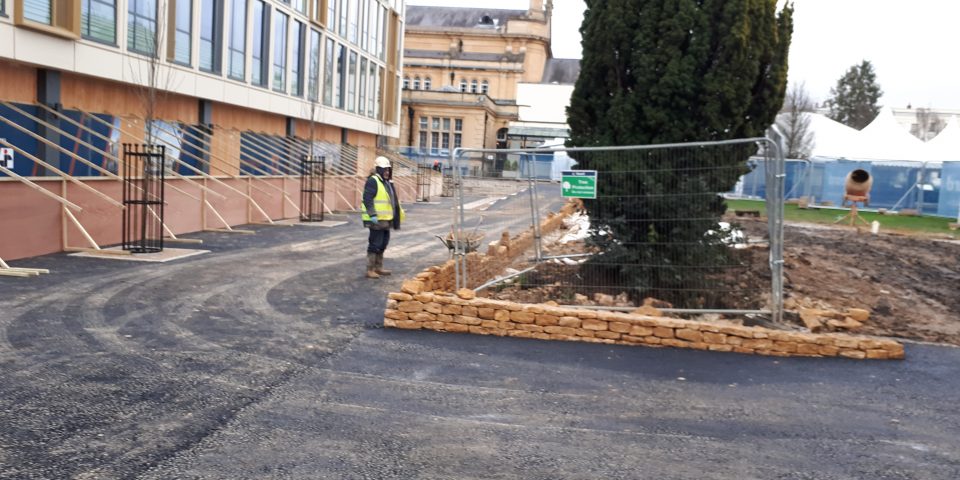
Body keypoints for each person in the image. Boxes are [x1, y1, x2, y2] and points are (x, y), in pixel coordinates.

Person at [361, 156, 405, 278]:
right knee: (375, 243)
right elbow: (367, 199)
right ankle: (370, 269)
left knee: (383, 243)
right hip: (376, 219)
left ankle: (378, 267)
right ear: (378, 169)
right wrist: (372, 214)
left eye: (388, 170)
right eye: (384, 170)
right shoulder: (373, 181)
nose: (387, 172)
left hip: (386, 219)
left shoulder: (387, 182)